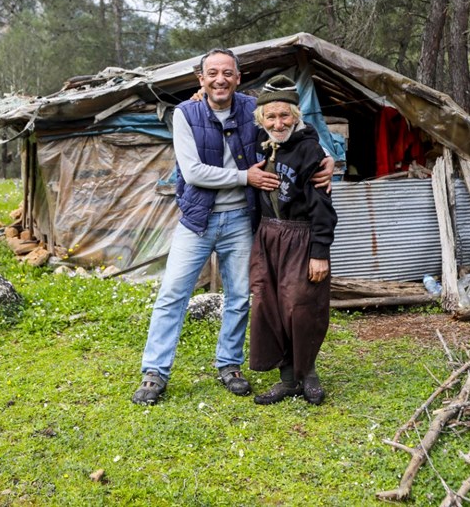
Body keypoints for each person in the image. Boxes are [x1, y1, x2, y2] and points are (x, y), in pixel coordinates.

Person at [132, 50, 332, 405]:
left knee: (240, 296)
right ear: (201, 79)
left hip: (241, 218)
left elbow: (289, 122)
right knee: (173, 294)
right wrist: (246, 176)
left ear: (238, 78)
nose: (219, 79)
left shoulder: (249, 108)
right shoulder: (185, 113)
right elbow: (191, 172)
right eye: (212, 73)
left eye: (227, 72)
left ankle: (229, 364)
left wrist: (325, 157)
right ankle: (155, 371)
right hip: (197, 219)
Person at [248, 75, 338, 406]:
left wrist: (319, 252)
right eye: (270, 116)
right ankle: (287, 379)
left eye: (285, 115)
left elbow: (323, 207)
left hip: (300, 238)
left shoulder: (309, 151)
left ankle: (308, 373)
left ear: (296, 116)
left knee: (301, 307)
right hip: (268, 236)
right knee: (269, 306)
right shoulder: (261, 143)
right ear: (260, 119)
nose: (278, 122)